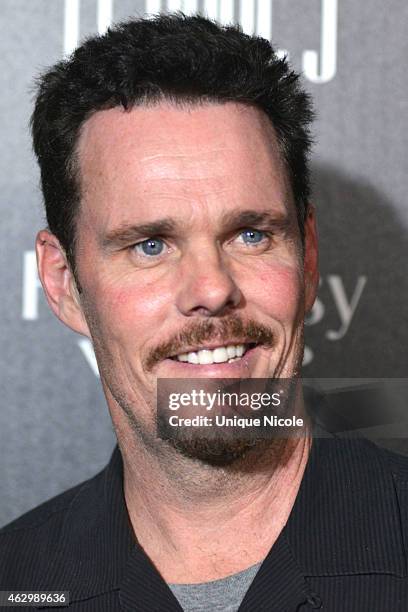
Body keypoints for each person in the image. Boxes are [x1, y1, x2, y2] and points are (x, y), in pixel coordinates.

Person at [1, 12, 407, 612]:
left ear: (309, 255)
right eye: (150, 245)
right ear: (63, 283)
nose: (212, 290)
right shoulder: (16, 578)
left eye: (249, 234)